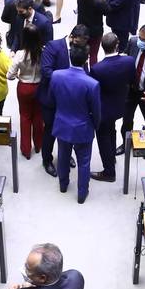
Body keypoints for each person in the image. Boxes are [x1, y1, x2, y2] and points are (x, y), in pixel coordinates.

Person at [45, 45, 100, 203]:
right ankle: (82, 194)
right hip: (83, 128)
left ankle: (63, 185)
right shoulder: (92, 84)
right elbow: (96, 111)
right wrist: (95, 126)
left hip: (62, 125)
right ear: (87, 59)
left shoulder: (56, 76)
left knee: (63, 156)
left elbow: (51, 99)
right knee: (84, 162)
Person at [39, 25, 90, 177]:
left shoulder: (80, 48)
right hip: (52, 99)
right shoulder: (53, 46)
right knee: (50, 131)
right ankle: (47, 160)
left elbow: (84, 70)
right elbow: (46, 71)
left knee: (67, 130)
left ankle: (65, 156)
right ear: (73, 37)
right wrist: (69, 82)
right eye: (80, 42)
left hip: (71, 101)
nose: (82, 47)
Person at [88, 33, 136, 182]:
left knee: (103, 137)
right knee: (112, 130)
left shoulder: (97, 69)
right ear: (117, 45)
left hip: (103, 108)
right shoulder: (129, 61)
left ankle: (109, 171)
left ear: (102, 47)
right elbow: (132, 80)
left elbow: (94, 91)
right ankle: (111, 158)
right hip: (120, 104)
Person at [8, 24, 45, 159]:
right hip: (39, 87)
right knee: (38, 116)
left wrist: (18, 76)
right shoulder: (44, 52)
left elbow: (9, 75)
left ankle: (26, 149)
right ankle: (39, 145)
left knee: (25, 117)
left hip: (24, 87)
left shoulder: (20, 54)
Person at [77, 0, 109, 64]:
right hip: (95, 32)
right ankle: (93, 73)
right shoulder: (99, 2)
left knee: (83, 53)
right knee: (93, 54)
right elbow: (107, 11)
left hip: (82, 30)